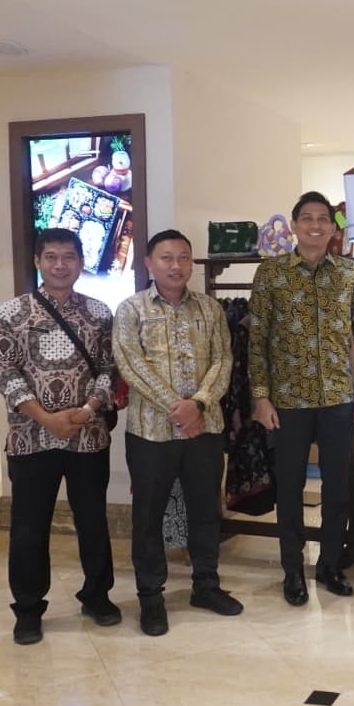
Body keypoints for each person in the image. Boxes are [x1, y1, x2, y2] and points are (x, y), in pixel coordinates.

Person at [0, 228, 119, 645]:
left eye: (69, 257)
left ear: (81, 262)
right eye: (51, 257)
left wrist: (88, 410)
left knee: (92, 521)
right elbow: (6, 374)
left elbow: (108, 369)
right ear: (38, 261)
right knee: (29, 527)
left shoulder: (99, 313)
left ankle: (97, 595)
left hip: (87, 436)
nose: (60, 265)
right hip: (31, 437)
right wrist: (46, 419)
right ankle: (28, 608)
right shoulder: (12, 313)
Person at [249, 191, 354, 607]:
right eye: (307, 218)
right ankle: (292, 570)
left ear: (332, 227)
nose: (316, 225)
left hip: (338, 397)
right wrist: (261, 397)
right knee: (289, 488)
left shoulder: (349, 274)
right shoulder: (271, 274)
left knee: (338, 487)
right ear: (294, 225)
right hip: (287, 401)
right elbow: (256, 340)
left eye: (323, 218)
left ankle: (330, 564)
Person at [113, 229, 242, 636]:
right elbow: (130, 365)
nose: (176, 265)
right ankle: (151, 597)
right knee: (148, 516)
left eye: (183, 257)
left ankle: (206, 585)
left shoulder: (210, 308)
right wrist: (178, 407)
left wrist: (198, 405)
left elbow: (223, 360)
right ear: (149, 263)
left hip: (205, 429)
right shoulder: (131, 310)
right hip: (151, 433)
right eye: (166, 258)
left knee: (205, 510)